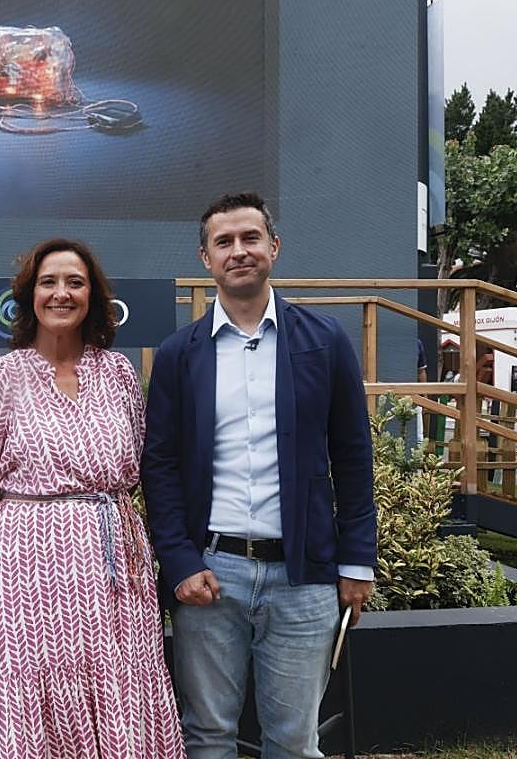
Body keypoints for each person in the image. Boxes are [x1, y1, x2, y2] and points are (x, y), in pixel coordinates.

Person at [141, 192, 377, 759]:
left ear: (273, 247)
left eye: (250, 238)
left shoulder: (324, 340)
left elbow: (352, 455)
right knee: (207, 737)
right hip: (209, 578)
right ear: (206, 258)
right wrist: (179, 562)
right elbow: (161, 466)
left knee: (294, 743)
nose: (239, 251)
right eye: (224, 242)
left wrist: (356, 561)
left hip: (305, 579)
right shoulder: (179, 354)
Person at [0, 238, 186, 759]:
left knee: (122, 676)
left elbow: (142, 463)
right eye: (49, 282)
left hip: (114, 563)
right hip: (26, 570)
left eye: (75, 283)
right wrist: (28, 535)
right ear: (29, 295)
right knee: (31, 686)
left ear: (93, 296)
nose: (62, 293)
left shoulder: (119, 372)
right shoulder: (0, 377)